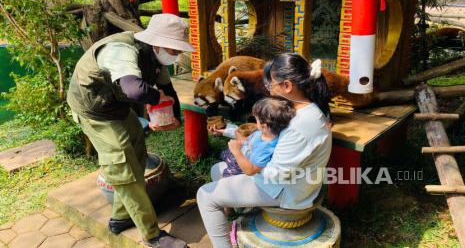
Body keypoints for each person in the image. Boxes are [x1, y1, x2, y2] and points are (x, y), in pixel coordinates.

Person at [67, 14, 193, 248]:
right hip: (95, 112)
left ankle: (122, 217)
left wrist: (175, 117)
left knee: (137, 149)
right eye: (174, 50)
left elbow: (167, 88)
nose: (177, 55)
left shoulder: (155, 57)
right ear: (157, 43)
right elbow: (134, 90)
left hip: (116, 107)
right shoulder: (120, 51)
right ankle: (152, 236)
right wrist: (156, 98)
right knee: (123, 167)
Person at [197, 53, 333, 248]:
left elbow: (272, 173)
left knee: (205, 195)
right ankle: (240, 216)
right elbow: (266, 137)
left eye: (270, 85)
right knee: (217, 170)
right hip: (289, 181)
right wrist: (238, 137)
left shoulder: (301, 125)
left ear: (287, 86)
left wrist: (241, 154)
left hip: (288, 191)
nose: (268, 89)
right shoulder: (298, 109)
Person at [217, 97, 295, 177]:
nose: (255, 122)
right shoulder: (263, 133)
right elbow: (245, 139)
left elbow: (251, 170)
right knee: (224, 153)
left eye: (256, 119)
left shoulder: (265, 148)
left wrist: (236, 151)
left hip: (242, 165)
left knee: (226, 174)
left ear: (264, 126)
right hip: (243, 152)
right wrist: (222, 131)